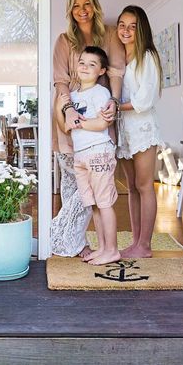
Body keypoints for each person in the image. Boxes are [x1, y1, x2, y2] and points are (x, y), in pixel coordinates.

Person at [51, 0, 125, 258]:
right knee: (73, 184)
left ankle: (64, 237)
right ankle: (75, 242)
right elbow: (60, 80)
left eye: (86, 4)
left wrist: (114, 103)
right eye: (76, 5)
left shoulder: (109, 36)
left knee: (99, 189)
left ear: (94, 5)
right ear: (70, 9)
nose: (82, 11)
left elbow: (116, 73)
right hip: (68, 111)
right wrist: (68, 109)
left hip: (99, 116)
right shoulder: (63, 40)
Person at [59, 46, 120, 265]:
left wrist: (79, 121)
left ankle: (112, 250)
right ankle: (103, 247)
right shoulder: (73, 96)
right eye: (82, 62)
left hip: (99, 152)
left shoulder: (100, 93)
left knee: (104, 203)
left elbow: (103, 123)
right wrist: (71, 117)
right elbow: (65, 123)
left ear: (102, 71)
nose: (85, 67)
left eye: (92, 64)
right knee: (93, 203)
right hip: (81, 155)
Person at [116, 5, 164, 258]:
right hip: (124, 130)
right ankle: (136, 242)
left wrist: (114, 107)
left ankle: (144, 245)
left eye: (132, 26)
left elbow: (144, 100)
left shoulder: (147, 56)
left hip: (142, 128)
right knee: (132, 187)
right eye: (122, 25)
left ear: (141, 29)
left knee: (145, 186)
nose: (125, 30)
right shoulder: (118, 57)